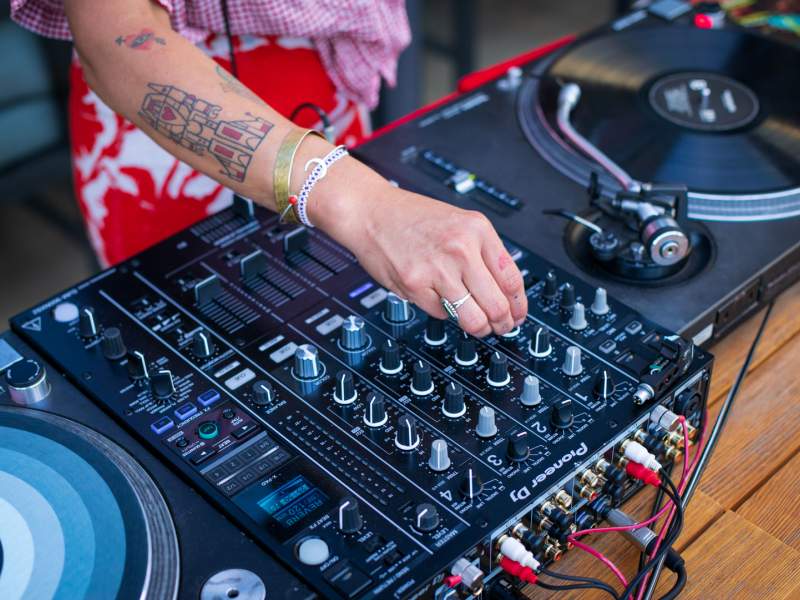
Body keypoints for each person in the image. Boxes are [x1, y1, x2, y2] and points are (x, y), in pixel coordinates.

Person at [11, 0, 527, 337]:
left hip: (324, 99)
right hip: (160, 140)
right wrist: (367, 205)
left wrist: (362, 199)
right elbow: (114, 37)